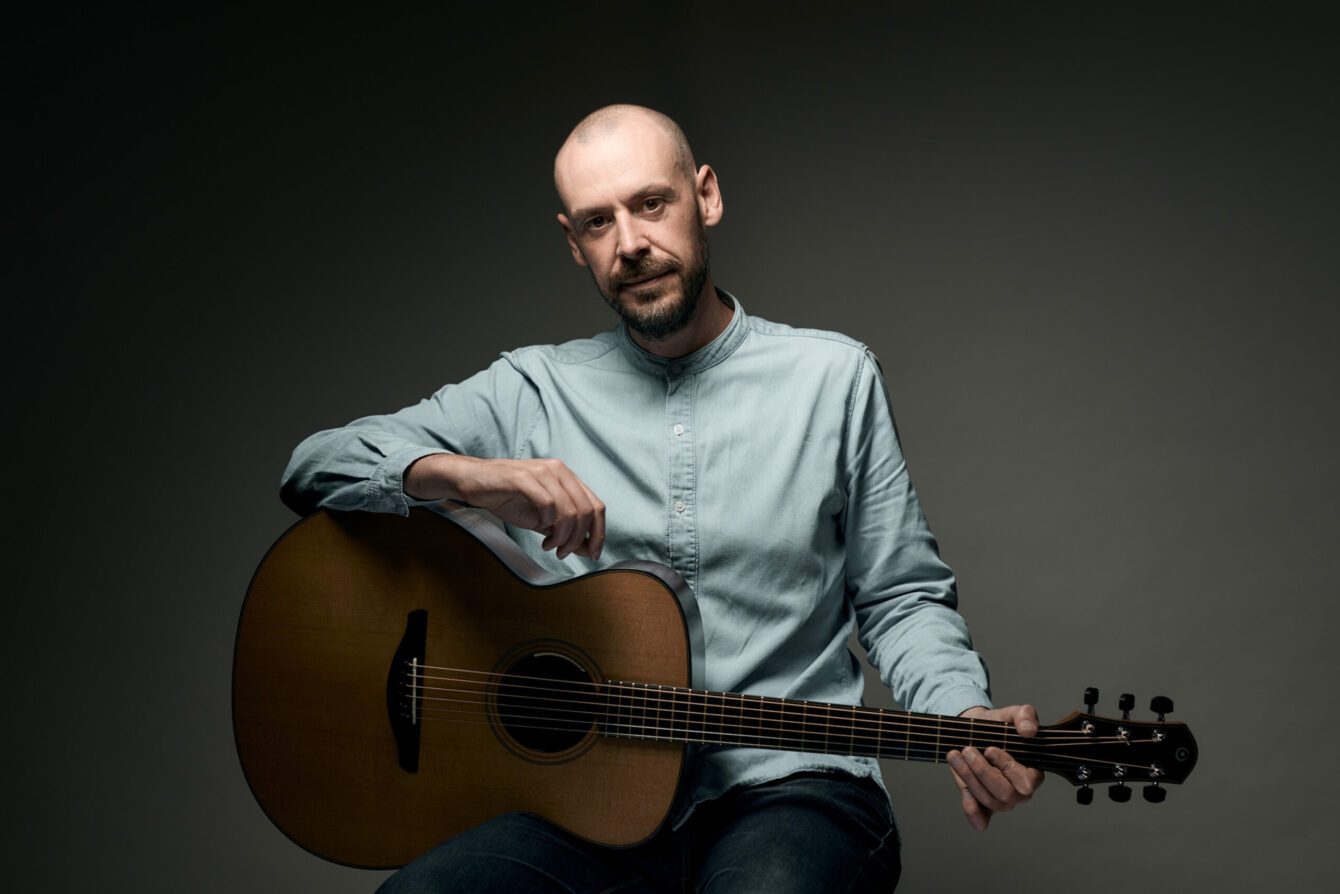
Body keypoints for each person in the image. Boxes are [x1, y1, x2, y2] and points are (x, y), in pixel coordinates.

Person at [281, 104, 1042, 893]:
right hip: (585, 804)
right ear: (573, 242)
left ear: (704, 196)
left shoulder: (833, 379)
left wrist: (962, 713)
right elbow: (313, 467)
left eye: (651, 204)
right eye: (598, 222)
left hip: (793, 791)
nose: (630, 243)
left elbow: (899, 595)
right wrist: (468, 477)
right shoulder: (529, 389)